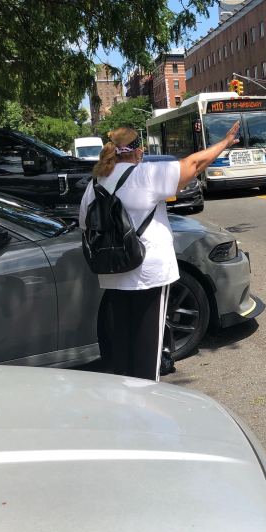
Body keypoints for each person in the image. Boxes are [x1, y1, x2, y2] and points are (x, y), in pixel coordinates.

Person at [79, 123, 240, 381]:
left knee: (122, 345)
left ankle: (125, 397)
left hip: (112, 273)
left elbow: (85, 225)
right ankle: (146, 402)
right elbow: (194, 164)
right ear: (138, 151)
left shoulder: (95, 184)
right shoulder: (146, 175)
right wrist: (224, 143)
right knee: (147, 350)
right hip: (148, 272)